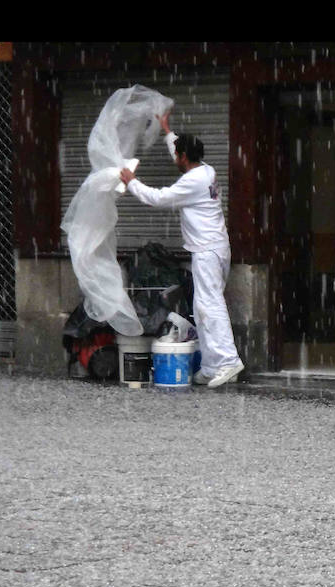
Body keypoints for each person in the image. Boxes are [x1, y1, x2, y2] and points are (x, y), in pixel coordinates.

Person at [119, 114, 244, 388]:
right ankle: (212, 366)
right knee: (202, 308)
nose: (175, 159)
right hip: (215, 248)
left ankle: (228, 361)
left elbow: (158, 199)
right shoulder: (206, 171)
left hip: (208, 251)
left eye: (177, 155)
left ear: (184, 156)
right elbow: (179, 147)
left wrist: (131, 182)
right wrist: (167, 132)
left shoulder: (192, 182)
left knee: (210, 306)